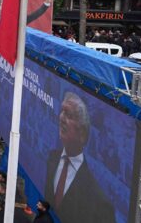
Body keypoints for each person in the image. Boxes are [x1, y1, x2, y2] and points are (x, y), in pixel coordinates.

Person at [43, 92, 114, 223]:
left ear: (82, 132)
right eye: (62, 111)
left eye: (69, 115)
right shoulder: (52, 159)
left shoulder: (98, 199)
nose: (62, 118)